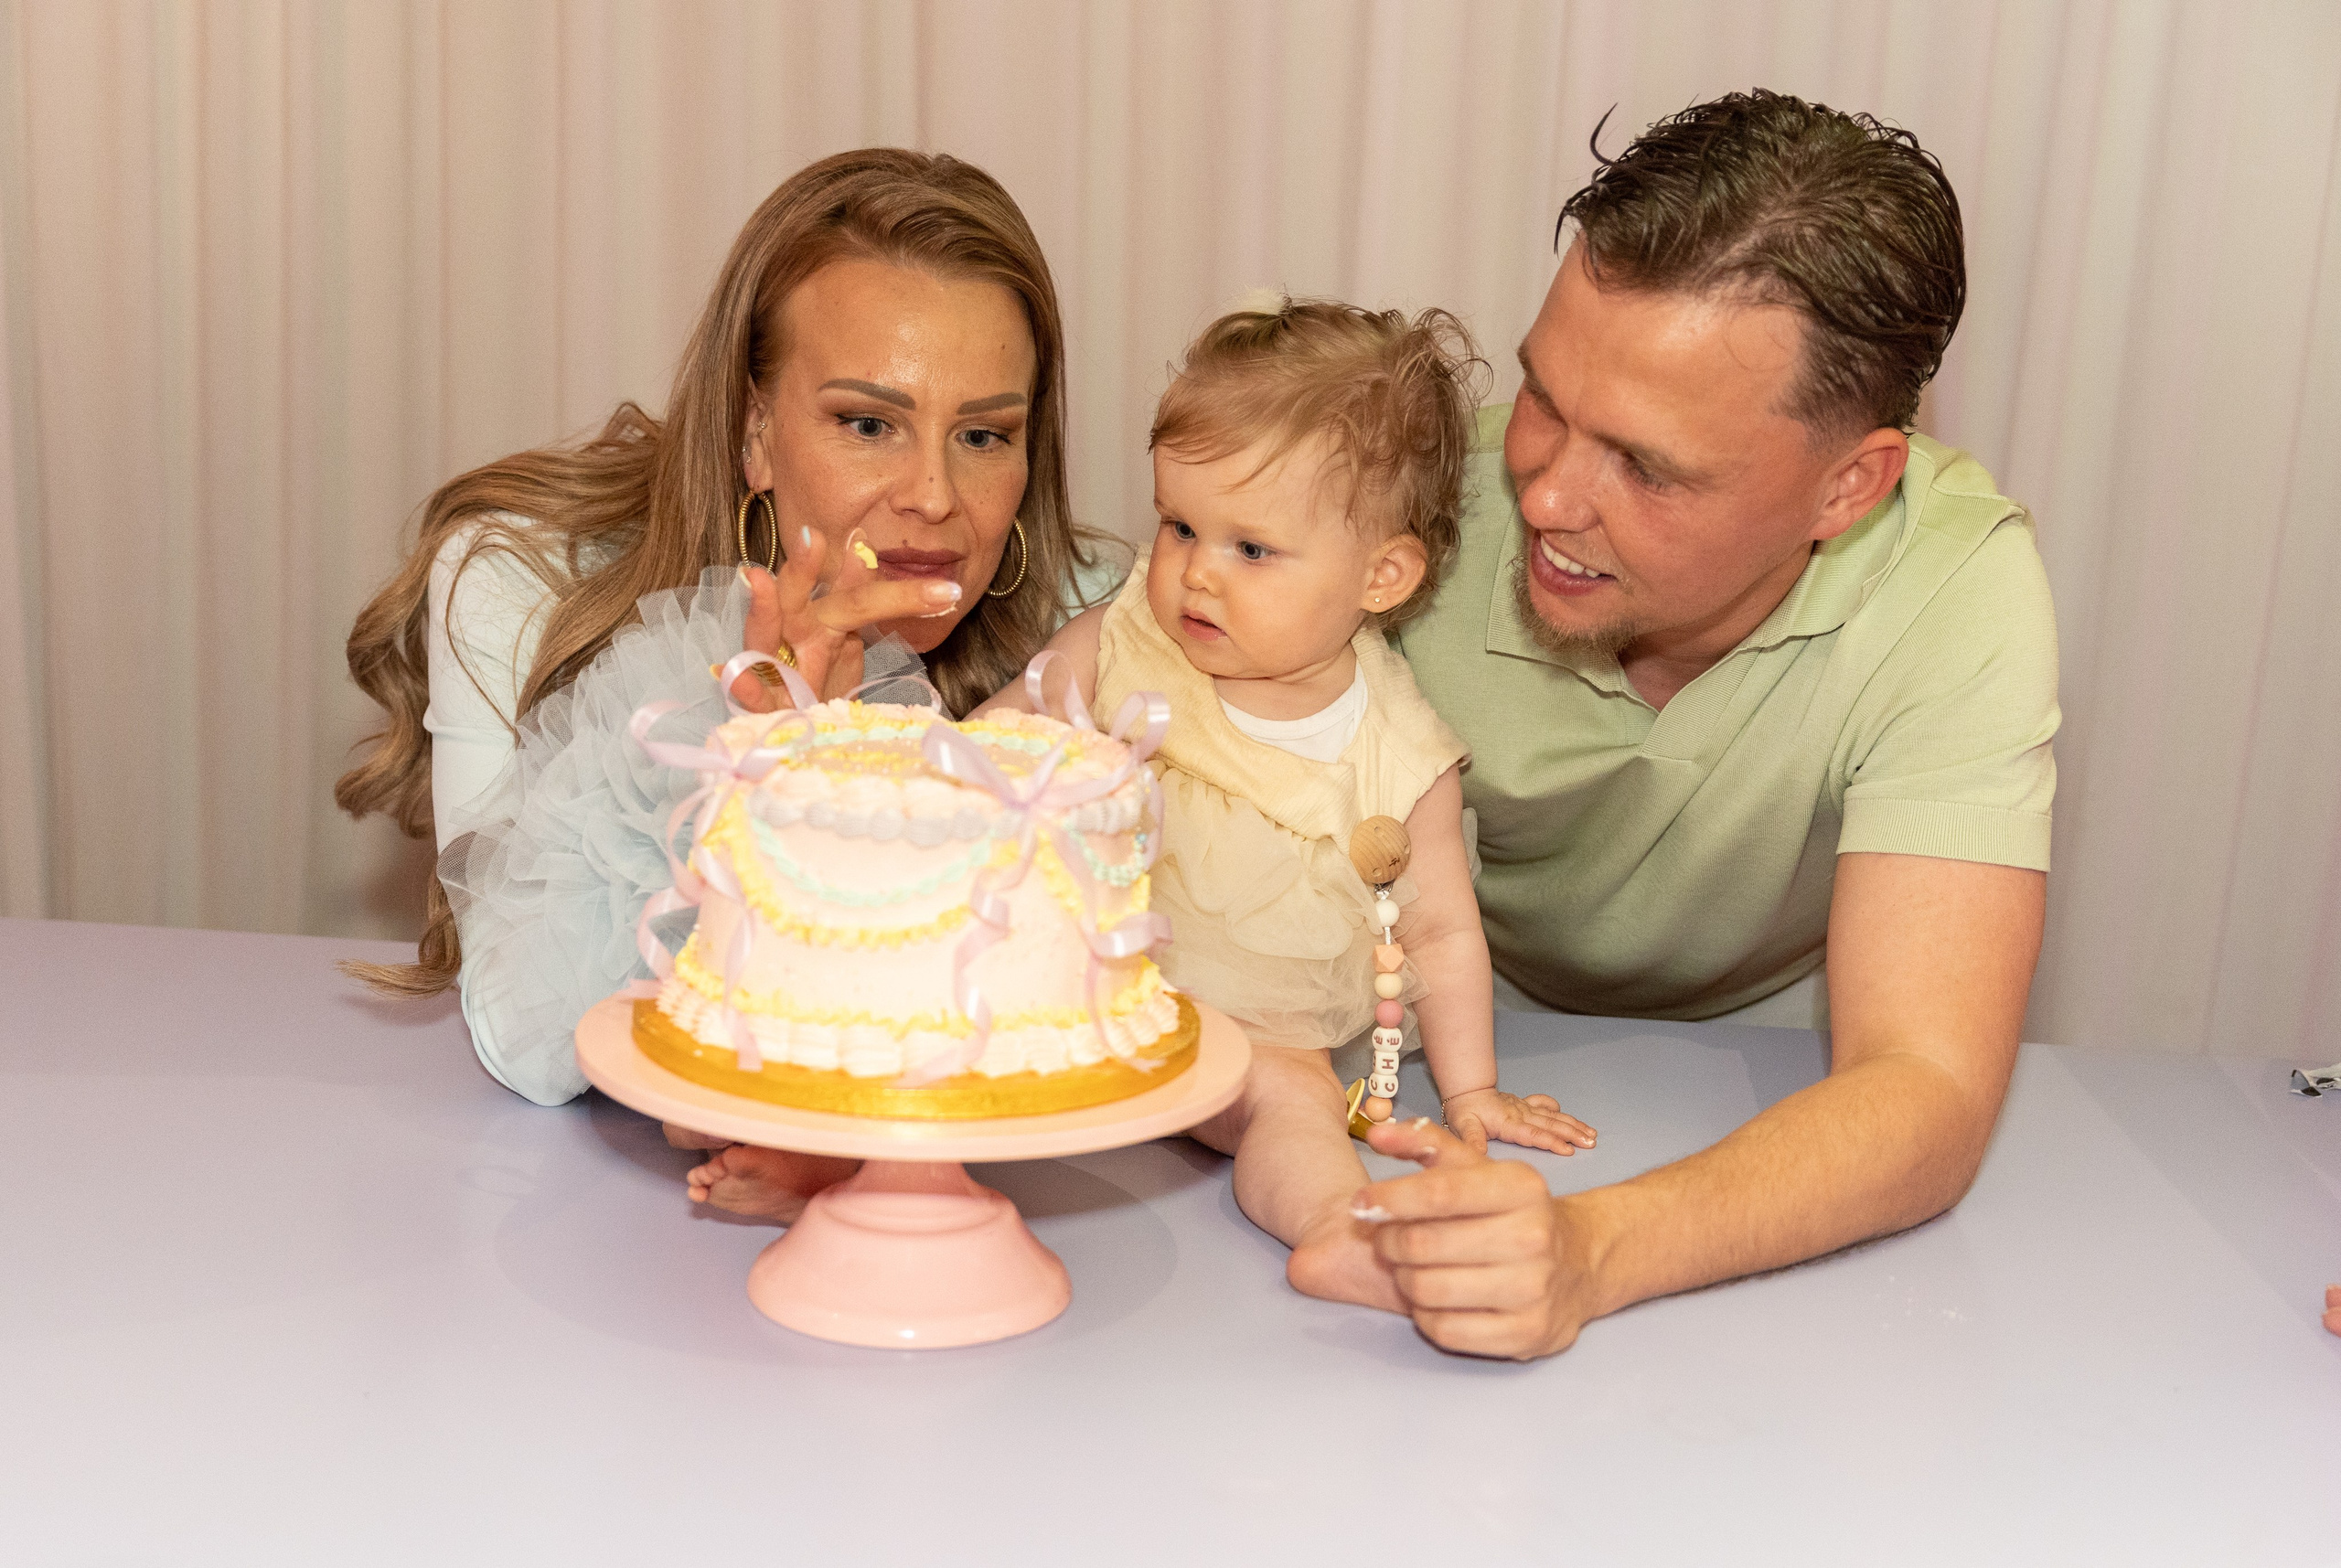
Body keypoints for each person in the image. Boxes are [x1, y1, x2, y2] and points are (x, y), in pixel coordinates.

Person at [1349, 91, 2062, 1358]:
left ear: (1849, 485)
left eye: (1647, 465)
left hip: (1780, 1111)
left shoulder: (1959, 584)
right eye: (1543, 398)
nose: (1550, 490)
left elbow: (1928, 1085)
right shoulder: (1409, 506)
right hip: (1438, 1067)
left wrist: (1595, 1246)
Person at [337, 150, 1118, 1150]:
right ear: (754, 431)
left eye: (982, 436)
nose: (933, 495)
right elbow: (527, 1042)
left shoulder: (1099, 621)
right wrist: (751, 742)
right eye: (868, 421)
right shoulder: (520, 579)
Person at [959, 300, 1594, 1305]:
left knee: (1292, 1104)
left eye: (1250, 549)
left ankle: (1340, 1227)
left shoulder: (1398, 748)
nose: (1196, 572)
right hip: (1075, 993)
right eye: (1178, 525)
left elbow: (1438, 932)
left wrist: (1471, 1089)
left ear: (1380, 575)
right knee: (937, 1021)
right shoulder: (1125, 643)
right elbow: (989, 752)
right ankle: (816, 1165)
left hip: (1247, 1040)